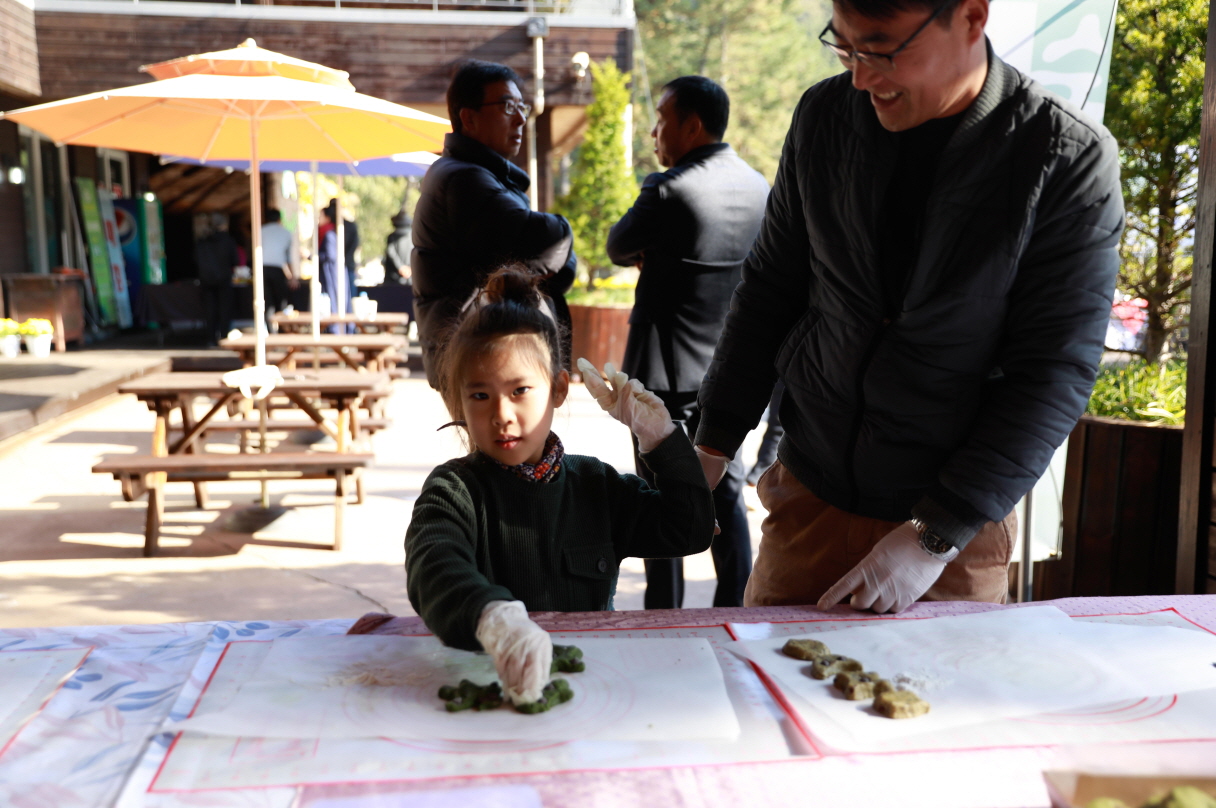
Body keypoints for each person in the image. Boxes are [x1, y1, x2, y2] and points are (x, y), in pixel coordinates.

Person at [694, 0, 1123, 614]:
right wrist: (712, 445)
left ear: (972, 18)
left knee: (931, 707)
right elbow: (770, 290)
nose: (862, 76)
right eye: (843, 48)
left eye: (882, 48)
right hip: (806, 502)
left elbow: (1053, 372)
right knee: (767, 697)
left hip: (950, 538)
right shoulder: (825, 115)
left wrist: (934, 535)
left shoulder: (1063, 157)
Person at [405, 265, 713, 705]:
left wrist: (662, 441)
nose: (501, 414)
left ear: (558, 389)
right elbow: (433, 568)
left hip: (592, 692)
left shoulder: (596, 486)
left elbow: (690, 529)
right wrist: (493, 621)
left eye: (519, 390)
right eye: (479, 395)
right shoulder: (453, 490)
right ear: (458, 398)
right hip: (490, 695)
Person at [605, 75, 769, 609]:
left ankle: (664, 613)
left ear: (692, 125)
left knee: (659, 494)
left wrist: (649, 254)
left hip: (662, 374)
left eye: (661, 119)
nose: (655, 131)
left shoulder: (667, 188)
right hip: (732, 376)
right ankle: (733, 612)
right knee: (727, 495)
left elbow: (617, 244)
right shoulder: (759, 187)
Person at [411, 59, 576, 388]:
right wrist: (565, 230)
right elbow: (543, 242)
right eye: (507, 106)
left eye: (522, 106)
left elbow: (552, 263)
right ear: (468, 118)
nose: (520, 118)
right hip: (478, 355)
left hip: (479, 352)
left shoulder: (468, 174)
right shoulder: (465, 179)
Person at [193, 212, 239, 345]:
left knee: (209, 310)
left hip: (206, 279)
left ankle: (210, 339)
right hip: (224, 279)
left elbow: (195, 259)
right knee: (225, 309)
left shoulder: (202, 241)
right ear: (224, 225)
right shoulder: (228, 241)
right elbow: (234, 261)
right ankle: (224, 338)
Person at [260, 208, 299, 326]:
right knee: (280, 302)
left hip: (263, 270)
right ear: (279, 219)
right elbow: (288, 258)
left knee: (267, 303)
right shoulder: (286, 233)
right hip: (277, 270)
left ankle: (272, 332)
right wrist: (293, 277)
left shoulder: (261, 231)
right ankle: (281, 329)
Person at [383, 205, 412, 285]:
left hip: (395, 279)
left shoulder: (392, 237)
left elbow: (391, 252)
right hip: (404, 277)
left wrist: (401, 267)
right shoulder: (414, 237)